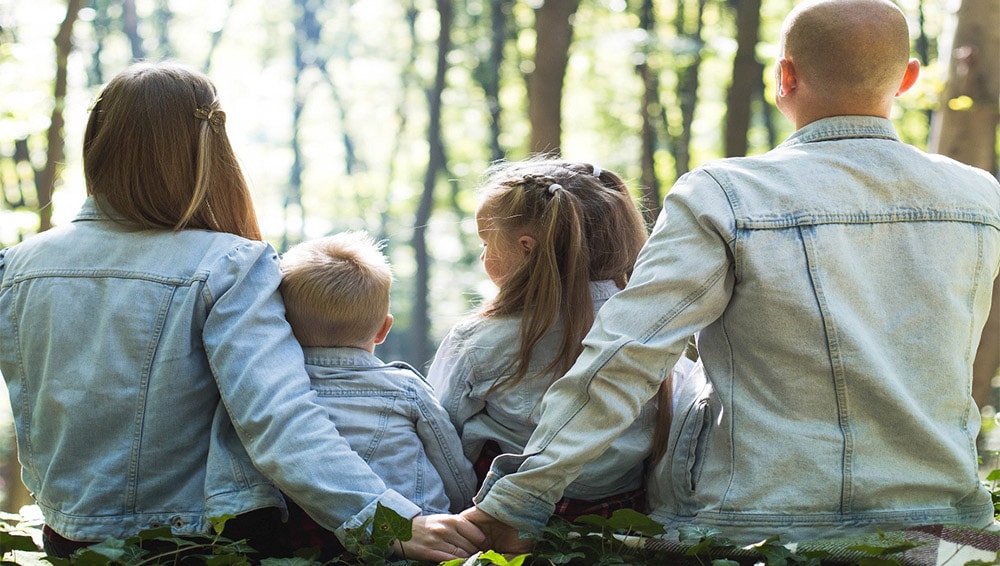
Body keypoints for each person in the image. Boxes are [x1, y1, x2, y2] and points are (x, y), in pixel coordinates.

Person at [461, 0, 1000, 549]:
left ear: (785, 75)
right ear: (909, 78)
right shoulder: (981, 198)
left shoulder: (725, 196)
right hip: (945, 523)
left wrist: (519, 499)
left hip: (753, 524)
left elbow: (627, 354)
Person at [0, 62, 483, 562]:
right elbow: (279, 421)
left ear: (96, 140)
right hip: (189, 545)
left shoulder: (15, 265)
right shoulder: (227, 265)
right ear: (208, 147)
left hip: (66, 539)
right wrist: (390, 524)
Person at [427, 158, 692, 520]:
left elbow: (439, 436)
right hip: (620, 518)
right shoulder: (656, 334)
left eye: (486, 242)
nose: (483, 255)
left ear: (527, 247)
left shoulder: (479, 341)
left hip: (501, 520)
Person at [278, 230, 476, 519]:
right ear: (384, 329)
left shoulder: (274, 391)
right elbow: (453, 469)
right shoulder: (405, 389)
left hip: (311, 536)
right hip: (417, 531)